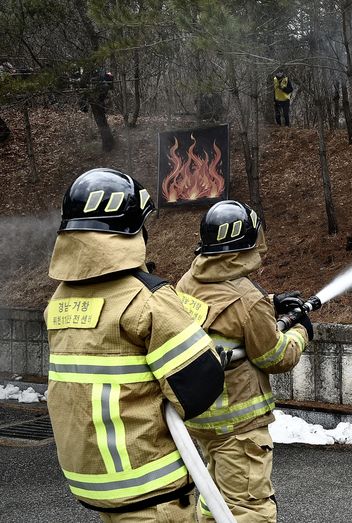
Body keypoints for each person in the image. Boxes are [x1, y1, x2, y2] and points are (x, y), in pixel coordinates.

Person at [45, 168, 226, 522]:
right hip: (152, 493)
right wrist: (213, 358)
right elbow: (200, 389)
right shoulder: (147, 301)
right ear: (130, 230)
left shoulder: (58, 303)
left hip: (96, 487)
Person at [175, 200, 313, 522]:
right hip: (239, 425)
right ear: (245, 246)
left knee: (216, 497)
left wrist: (272, 303)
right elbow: (274, 356)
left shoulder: (187, 283)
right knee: (250, 509)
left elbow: (223, 315)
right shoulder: (247, 301)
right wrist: (302, 333)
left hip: (202, 418)